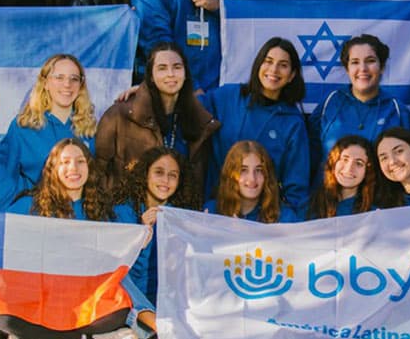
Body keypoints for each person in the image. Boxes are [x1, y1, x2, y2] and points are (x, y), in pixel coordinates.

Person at [0, 139, 143, 339]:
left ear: (89, 168)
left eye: (80, 161)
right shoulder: (30, 205)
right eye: (65, 162)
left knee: (120, 310)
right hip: (42, 300)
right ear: (52, 169)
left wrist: (144, 233)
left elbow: (124, 257)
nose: (73, 168)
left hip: (86, 302)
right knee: (0, 316)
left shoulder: (108, 210)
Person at [203, 38, 309, 218]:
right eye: (268, 62)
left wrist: (289, 226)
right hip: (218, 210)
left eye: (283, 65)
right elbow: (185, 109)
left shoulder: (293, 122)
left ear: (292, 75)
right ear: (258, 65)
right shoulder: (228, 97)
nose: (273, 70)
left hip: (264, 217)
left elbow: (296, 185)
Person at [95, 43, 220, 193]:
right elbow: (98, 172)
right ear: (151, 76)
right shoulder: (119, 114)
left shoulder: (199, 119)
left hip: (177, 212)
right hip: (126, 212)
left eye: (177, 67)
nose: (171, 74)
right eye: (162, 68)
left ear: (186, 73)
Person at [306, 34, 407, 178]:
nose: (363, 68)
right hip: (328, 196)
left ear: (382, 67)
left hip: (377, 198)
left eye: (370, 61)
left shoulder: (396, 109)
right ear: (347, 69)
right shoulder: (331, 102)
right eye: (355, 62)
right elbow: (309, 155)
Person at [0, 54, 97, 189]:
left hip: (82, 208)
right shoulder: (23, 127)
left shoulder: (90, 129)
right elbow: (0, 174)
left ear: (81, 85)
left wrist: (134, 92)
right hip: (36, 208)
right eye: (59, 77)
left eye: (74, 79)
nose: (67, 84)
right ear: (46, 83)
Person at [113, 147, 199, 308]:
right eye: (159, 172)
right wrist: (140, 237)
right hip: (130, 301)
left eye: (172, 175)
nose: (165, 180)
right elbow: (124, 274)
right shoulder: (122, 213)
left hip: (168, 302)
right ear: (145, 174)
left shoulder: (180, 217)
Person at [209, 140, 298, 223]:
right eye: (243, 170)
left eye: (259, 170)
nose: (252, 179)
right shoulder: (212, 211)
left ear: (267, 175)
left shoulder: (284, 217)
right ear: (230, 174)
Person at [308, 135, 377, 218]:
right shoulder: (309, 205)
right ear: (334, 162)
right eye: (345, 159)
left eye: (359, 163)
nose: (349, 168)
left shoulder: (374, 215)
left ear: (367, 171)